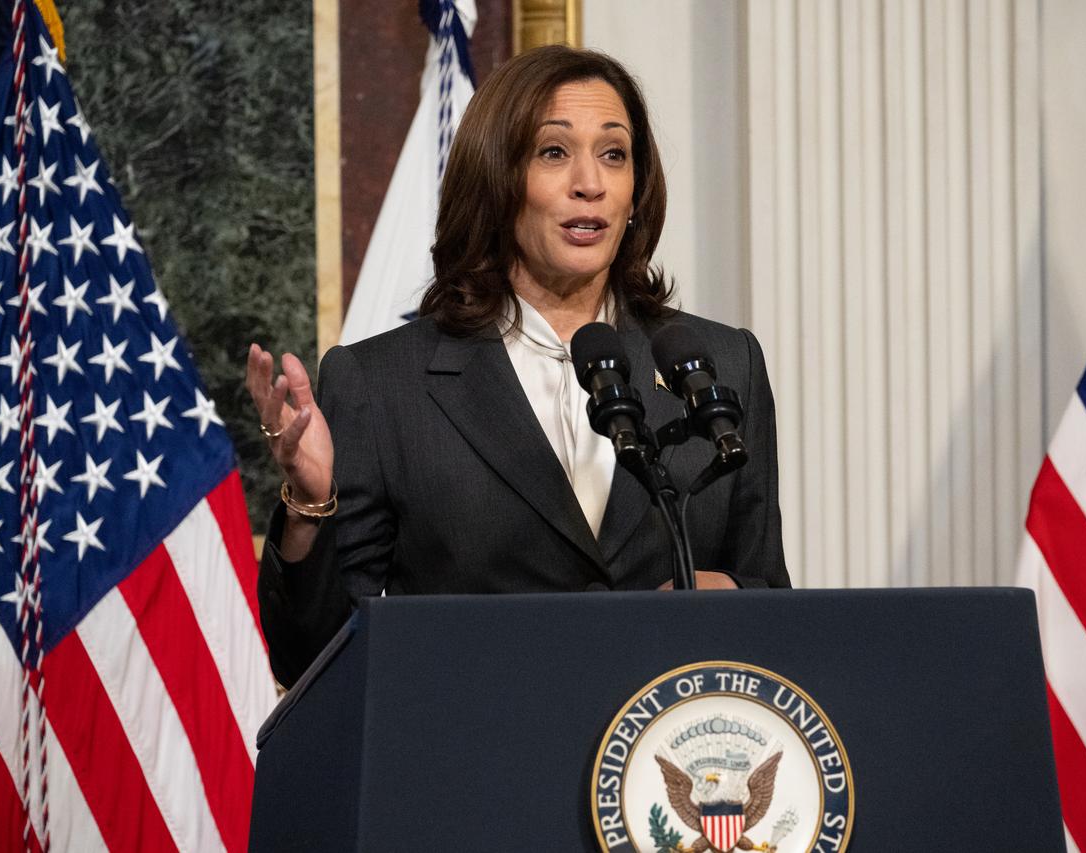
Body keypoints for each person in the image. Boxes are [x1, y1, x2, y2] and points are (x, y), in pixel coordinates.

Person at [246, 45, 790, 688]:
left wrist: (731, 592)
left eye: (614, 154)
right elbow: (313, 659)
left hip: (660, 766)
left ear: (637, 190)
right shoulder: (382, 385)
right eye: (553, 152)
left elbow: (770, 602)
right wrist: (312, 505)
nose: (590, 181)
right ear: (497, 182)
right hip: (481, 766)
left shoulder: (720, 366)